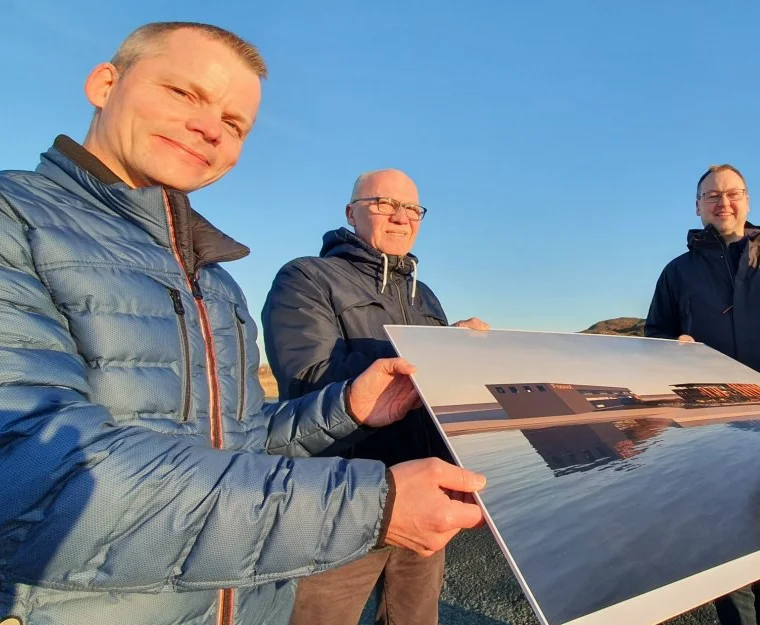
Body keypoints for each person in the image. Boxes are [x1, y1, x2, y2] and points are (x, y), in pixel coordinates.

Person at [0, 22, 485, 625]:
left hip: (251, 587)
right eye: (184, 93)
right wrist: (372, 503)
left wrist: (353, 407)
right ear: (105, 83)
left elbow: (238, 438)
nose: (209, 127)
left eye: (234, 123)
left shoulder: (214, 278)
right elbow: (36, 476)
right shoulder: (12, 220)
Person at [262, 169, 489, 625]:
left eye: (412, 208)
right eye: (384, 203)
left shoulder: (423, 294)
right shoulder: (306, 277)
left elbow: (435, 394)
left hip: (423, 491)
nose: (400, 217)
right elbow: (308, 380)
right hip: (343, 497)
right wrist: (432, 350)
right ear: (351, 212)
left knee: (416, 618)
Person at [645, 164, 760, 625]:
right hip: (710, 433)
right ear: (697, 206)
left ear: (747, 200)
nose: (723, 202)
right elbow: (653, 344)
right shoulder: (677, 273)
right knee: (727, 555)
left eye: (733, 193)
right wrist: (671, 354)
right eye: (712, 196)